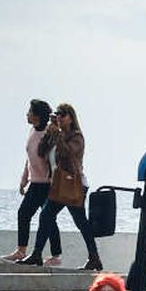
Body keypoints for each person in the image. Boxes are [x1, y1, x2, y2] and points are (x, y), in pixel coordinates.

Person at [26, 102, 102, 271]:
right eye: (57, 114)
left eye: (62, 114)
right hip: (59, 185)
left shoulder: (77, 137)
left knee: (80, 222)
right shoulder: (55, 134)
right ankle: (37, 254)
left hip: (74, 185)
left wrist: (58, 135)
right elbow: (41, 152)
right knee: (46, 215)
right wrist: (49, 133)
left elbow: (68, 153)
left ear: (70, 118)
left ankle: (94, 258)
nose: (58, 117)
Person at [5, 100, 55, 262]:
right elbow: (29, 158)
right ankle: (21, 251)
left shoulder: (49, 132)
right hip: (35, 183)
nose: (27, 114)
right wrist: (23, 179)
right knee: (25, 214)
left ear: (37, 115)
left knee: (47, 218)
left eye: (30, 111)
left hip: (48, 184)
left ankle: (55, 255)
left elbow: (55, 159)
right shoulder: (32, 131)